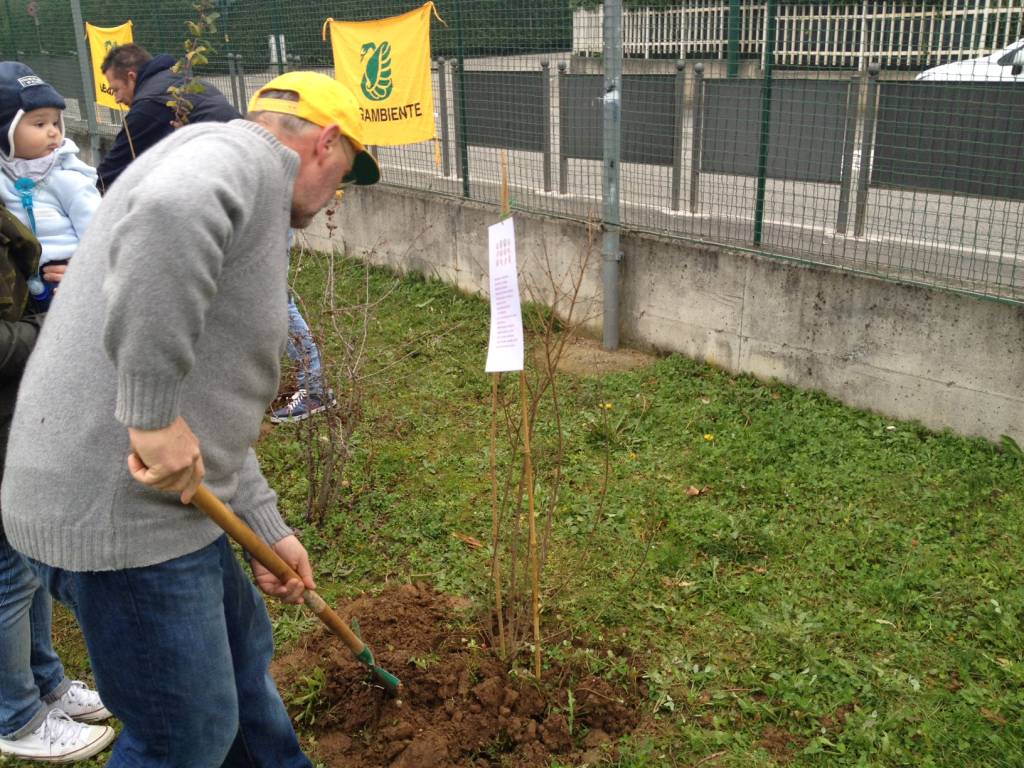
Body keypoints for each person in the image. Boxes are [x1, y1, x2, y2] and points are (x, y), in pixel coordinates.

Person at [2, 71, 379, 766]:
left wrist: (268, 527)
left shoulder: (238, 177)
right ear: (326, 143)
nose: (335, 197)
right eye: (346, 174)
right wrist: (149, 412)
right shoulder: (236, 163)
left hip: (165, 505)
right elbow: (172, 211)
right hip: (119, 514)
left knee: (243, 674)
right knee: (187, 733)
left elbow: (214, 397)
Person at [0, 198, 113, 759]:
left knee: (23, 562)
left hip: (11, 416)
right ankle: (15, 717)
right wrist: (49, 327)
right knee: (5, 576)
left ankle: (46, 685)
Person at [0, 63, 100, 309]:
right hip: (19, 278)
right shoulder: (5, 174)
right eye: (40, 124)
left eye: (55, 123)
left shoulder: (68, 177)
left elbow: (99, 233)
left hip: (63, 276)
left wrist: (85, 271)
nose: (53, 132)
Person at [95, 43, 240, 191]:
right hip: (245, 149)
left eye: (116, 89)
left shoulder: (148, 105)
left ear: (131, 77)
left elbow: (108, 173)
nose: (117, 99)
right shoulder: (179, 80)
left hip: (228, 171)